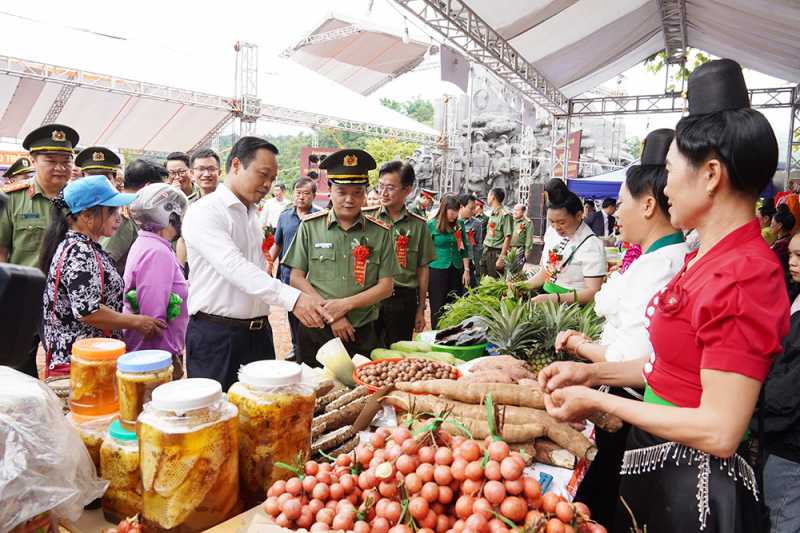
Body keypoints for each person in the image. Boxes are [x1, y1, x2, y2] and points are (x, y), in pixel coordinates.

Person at [539, 59, 789, 533]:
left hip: (694, 489)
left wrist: (603, 401)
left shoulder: (744, 273)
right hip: (662, 469)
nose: (665, 185)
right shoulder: (708, 260)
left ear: (711, 174)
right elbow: (668, 368)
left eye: (671, 171)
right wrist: (591, 372)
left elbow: (718, 428)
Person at [553, 128, 689, 530]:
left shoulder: (659, 267)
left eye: (622, 202)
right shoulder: (659, 258)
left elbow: (634, 360)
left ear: (648, 206)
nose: (616, 211)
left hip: (627, 407)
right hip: (619, 397)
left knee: (605, 504)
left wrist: (580, 348)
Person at [182, 137, 332, 390]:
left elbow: (257, 268)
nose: (268, 184)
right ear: (237, 165)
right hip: (218, 337)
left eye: (272, 179)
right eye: (263, 174)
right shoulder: (206, 211)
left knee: (263, 413)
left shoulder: (252, 214)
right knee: (217, 418)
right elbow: (234, 267)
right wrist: (293, 299)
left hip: (258, 333)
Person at [38, 176, 165, 378]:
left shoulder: (82, 245)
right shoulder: (80, 251)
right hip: (85, 365)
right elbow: (89, 311)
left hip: (92, 359)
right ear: (87, 216)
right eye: (112, 211)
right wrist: (137, 322)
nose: (118, 217)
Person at [283, 149, 400, 365]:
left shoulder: (381, 232)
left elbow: (385, 287)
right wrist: (333, 315)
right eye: (342, 192)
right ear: (330, 191)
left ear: (366, 193)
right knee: (314, 390)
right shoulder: (310, 226)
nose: (349, 199)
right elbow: (296, 278)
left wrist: (345, 305)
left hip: (361, 332)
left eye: (357, 192)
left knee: (362, 392)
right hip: (315, 329)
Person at [1, 124, 80, 377]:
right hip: (24, 298)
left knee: (70, 370)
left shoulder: (81, 200)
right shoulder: (13, 198)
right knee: (17, 369)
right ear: (33, 161)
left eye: (66, 161)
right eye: (50, 161)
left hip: (67, 301)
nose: (60, 168)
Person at [754, 230, 800, 533]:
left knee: (782, 518)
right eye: (793, 255)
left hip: (791, 444)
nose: (792, 263)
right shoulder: (794, 294)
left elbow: (791, 388)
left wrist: (752, 412)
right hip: (780, 434)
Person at [365, 161, 437, 348]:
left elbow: (422, 268)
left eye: (390, 188)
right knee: (364, 352)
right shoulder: (366, 219)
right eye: (381, 186)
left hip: (403, 301)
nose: (383, 192)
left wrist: (421, 307)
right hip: (369, 298)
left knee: (398, 355)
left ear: (407, 191)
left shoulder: (419, 225)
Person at [123, 183, 189, 379]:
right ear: (170, 216)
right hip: (153, 356)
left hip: (148, 351)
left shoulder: (150, 242)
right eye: (180, 214)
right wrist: (171, 360)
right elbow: (153, 319)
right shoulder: (156, 252)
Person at [522, 179, 606, 305]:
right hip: (545, 299)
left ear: (579, 215)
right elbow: (544, 273)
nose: (556, 227)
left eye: (561, 222)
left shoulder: (591, 245)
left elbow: (593, 291)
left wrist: (555, 299)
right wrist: (522, 286)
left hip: (571, 308)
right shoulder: (551, 233)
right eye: (552, 221)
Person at [269, 177, 321, 360]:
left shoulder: (320, 217)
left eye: (306, 193)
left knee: (312, 309)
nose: (301, 197)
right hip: (288, 273)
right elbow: (278, 244)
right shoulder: (285, 217)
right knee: (292, 310)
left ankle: (311, 347)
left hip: (312, 275)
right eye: (298, 192)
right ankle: (296, 347)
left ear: (313, 196)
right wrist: (267, 264)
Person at [99, 159, 169, 276]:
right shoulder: (122, 216)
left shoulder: (135, 210)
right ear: (148, 187)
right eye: (160, 190)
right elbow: (103, 263)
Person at [426, 194, 469, 329]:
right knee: (438, 306)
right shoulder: (431, 225)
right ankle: (437, 335)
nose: (455, 215)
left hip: (455, 268)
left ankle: (452, 333)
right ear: (444, 209)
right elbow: (424, 252)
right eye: (452, 211)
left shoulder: (459, 224)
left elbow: (464, 248)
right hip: (436, 270)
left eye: (457, 211)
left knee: (454, 305)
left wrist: (466, 270)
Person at [480, 188, 513, 279]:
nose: (487, 198)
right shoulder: (493, 214)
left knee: (494, 282)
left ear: (493, 197)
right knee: (483, 281)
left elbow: (508, 237)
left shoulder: (505, 215)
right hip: (486, 251)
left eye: (488, 196)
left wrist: (501, 258)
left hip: (495, 253)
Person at [459, 193, 482, 288]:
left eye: (475, 208)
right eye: (471, 208)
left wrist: (469, 253)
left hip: (467, 263)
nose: (473, 211)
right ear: (461, 207)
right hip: (451, 262)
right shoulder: (451, 221)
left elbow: (476, 244)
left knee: (469, 291)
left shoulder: (476, 224)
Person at [771, 205, 795, 273]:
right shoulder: (780, 241)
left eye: (772, 223)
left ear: (780, 225)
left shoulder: (784, 245)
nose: (771, 226)